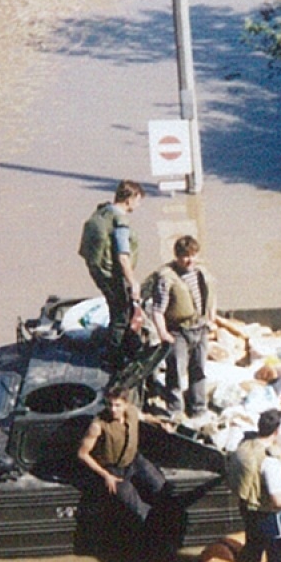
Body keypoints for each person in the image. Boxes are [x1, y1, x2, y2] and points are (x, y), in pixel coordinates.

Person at [142, 234, 216, 419]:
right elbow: (158, 310)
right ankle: (175, 410)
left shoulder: (200, 273)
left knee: (198, 370)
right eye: (185, 256)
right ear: (177, 256)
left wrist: (212, 319)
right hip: (178, 331)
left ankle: (199, 408)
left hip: (200, 328)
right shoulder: (167, 278)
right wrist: (163, 333)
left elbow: (211, 298)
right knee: (175, 372)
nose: (189, 260)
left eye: (192, 255)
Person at [225, 410, 281, 562]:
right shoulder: (270, 461)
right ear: (277, 431)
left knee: (252, 551)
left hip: (248, 510)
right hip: (269, 516)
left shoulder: (245, 447)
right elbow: (278, 501)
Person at [75, 385, 167, 524]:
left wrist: (160, 423)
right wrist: (106, 476)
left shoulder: (132, 412)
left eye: (117, 405)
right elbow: (82, 454)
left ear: (126, 404)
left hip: (133, 460)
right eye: (110, 405)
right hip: (112, 469)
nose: (113, 409)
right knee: (136, 507)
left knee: (160, 485)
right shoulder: (98, 425)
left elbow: (144, 417)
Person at [78, 180, 145, 364]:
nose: (138, 205)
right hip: (112, 275)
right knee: (121, 316)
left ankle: (129, 346)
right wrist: (133, 283)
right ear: (130, 199)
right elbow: (123, 256)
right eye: (138, 200)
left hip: (98, 271)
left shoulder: (103, 211)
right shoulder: (120, 221)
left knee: (120, 309)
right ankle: (114, 359)